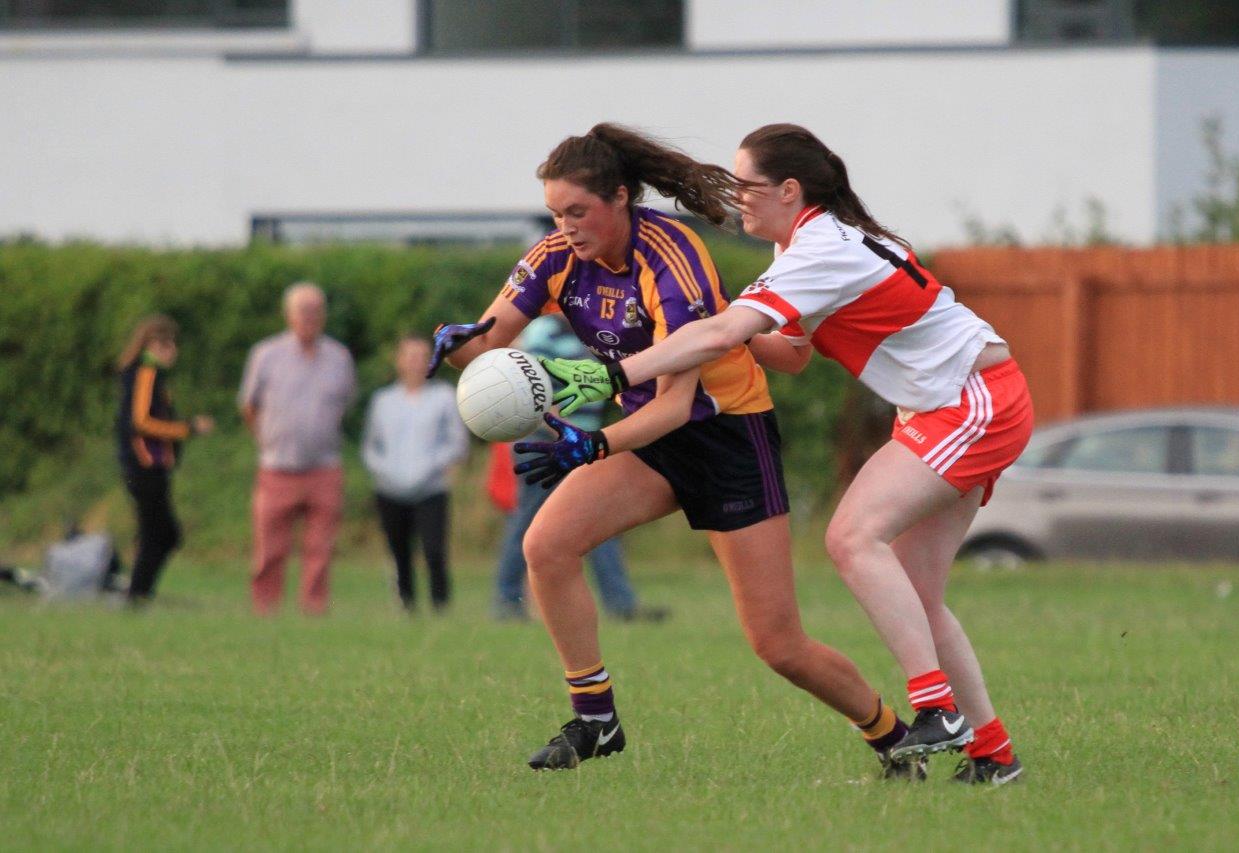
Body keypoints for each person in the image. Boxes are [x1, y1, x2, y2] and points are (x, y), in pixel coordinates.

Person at [544, 123, 1034, 785]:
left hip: (972, 401)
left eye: (749, 187)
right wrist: (721, 324)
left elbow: (723, 333)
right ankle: (993, 754)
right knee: (917, 592)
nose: (740, 199)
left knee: (852, 536)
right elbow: (791, 354)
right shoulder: (809, 247)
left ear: (791, 190)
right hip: (954, 403)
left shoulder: (819, 247)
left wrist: (612, 374)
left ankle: (936, 709)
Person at [429, 124, 914, 777]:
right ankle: (596, 716)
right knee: (546, 545)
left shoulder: (671, 257)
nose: (565, 226)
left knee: (777, 642)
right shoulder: (554, 256)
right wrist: (455, 343)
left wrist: (592, 444)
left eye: (578, 211)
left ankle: (892, 735)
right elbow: (486, 346)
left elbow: (675, 405)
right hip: (647, 439)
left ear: (621, 197)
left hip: (725, 437)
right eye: (555, 213)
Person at [491, 314, 666, 623]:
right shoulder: (544, 330)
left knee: (599, 521)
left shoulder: (597, 334)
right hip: (546, 441)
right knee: (527, 523)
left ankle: (621, 604)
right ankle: (506, 601)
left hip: (581, 444)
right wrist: (566, 430)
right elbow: (528, 383)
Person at [239, 283, 357, 616]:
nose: (310, 317)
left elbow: (346, 404)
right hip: (277, 465)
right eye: (303, 310)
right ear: (288, 314)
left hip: (324, 465)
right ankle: (265, 607)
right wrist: (266, 438)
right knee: (270, 546)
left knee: (320, 546)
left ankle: (314, 608)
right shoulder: (266, 354)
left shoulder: (339, 356)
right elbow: (249, 406)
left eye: (316, 310)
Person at [361, 335, 469, 613]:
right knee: (399, 550)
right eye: (410, 356)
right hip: (390, 489)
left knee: (434, 550)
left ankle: (440, 605)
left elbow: (456, 442)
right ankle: (406, 604)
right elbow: (371, 447)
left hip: (431, 487)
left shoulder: (444, 397)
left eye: (422, 356)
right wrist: (387, 472)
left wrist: (431, 467)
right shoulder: (383, 400)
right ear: (399, 361)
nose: (415, 363)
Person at [115, 315, 214, 605]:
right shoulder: (146, 373)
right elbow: (142, 422)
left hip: (151, 467)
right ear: (151, 344)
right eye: (166, 344)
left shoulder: (148, 374)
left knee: (161, 533)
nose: (172, 351)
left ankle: (139, 596)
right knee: (160, 534)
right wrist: (188, 428)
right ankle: (137, 597)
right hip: (144, 465)